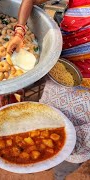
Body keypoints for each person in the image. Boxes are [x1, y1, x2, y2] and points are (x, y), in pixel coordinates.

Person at [7, 0, 90, 179]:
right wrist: (19, 32)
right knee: (44, 129)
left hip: (87, 97)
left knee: (74, 148)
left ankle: (60, 172)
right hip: (63, 75)